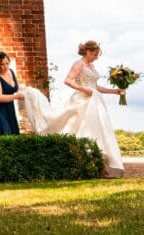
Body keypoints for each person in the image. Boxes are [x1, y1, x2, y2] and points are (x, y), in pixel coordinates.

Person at [21, 40, 125, 177]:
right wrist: (83, 89)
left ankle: (99, 166)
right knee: (82, 130)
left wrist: (114, 91)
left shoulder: (91, 66)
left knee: (98, 130)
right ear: (88, 51)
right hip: (83, 101)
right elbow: (68, 80)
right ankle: (85, 165)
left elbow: (95, 86)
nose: (96, 58)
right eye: (95, 54)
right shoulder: (78, 64)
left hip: (95, 101)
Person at [0, 51, 24, 135]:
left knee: (13, 135)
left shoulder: (11, 72)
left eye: (7, 63)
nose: (5, 66)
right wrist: (15, 96)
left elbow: (14, 88)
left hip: (9, 108)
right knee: (4, 134)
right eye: (2, 64)